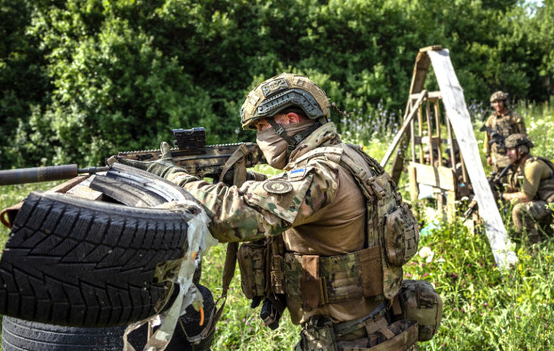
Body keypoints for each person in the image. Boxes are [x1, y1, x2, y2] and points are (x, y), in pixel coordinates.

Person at [119, 73, 440, 350]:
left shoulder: (319, 173)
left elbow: (231, 215)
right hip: (378, 328)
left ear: (290, 120)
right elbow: (291, 195)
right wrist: (242, 180)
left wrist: (171, 175)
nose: (259, 137)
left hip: (348, 339)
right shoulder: (348, 156)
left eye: (262, 125)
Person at [501, 134, 554, 244]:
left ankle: (533, 248)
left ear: (521, 150)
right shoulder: (520, 167)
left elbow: (526, 196)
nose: (507, 154)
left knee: (519, 210)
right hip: (545, 203)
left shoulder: (533, 166)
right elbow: (513, 190)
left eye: (510, 150)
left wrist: (502, 196)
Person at [482, 91, 526, 178]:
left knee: (514, 181)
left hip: (512, 155)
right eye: (494, 102)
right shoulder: (491, 119)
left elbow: (523, 137)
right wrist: (488, 155)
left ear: (504, 102)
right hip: (497, 156)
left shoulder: (514, 117)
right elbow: (487, 138)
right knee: (498, 180)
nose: (497, 104)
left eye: (499, 101)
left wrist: (522, 154)